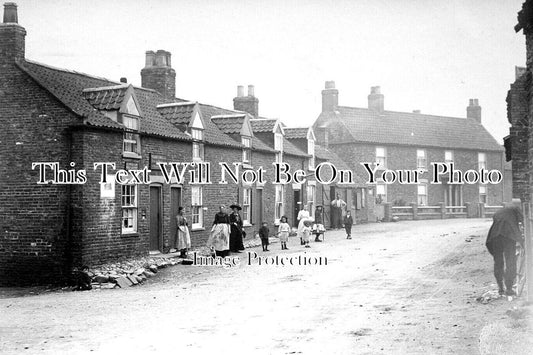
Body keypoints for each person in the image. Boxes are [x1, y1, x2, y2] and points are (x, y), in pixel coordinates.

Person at [485, 202, 524, 296]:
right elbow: (524, 222)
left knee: (498, 262)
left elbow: (495, 220)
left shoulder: (499, 211)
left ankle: (500, 287)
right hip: (508, 236)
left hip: (494, 237)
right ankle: (509, 288)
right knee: (510, 260)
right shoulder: (516, 209)